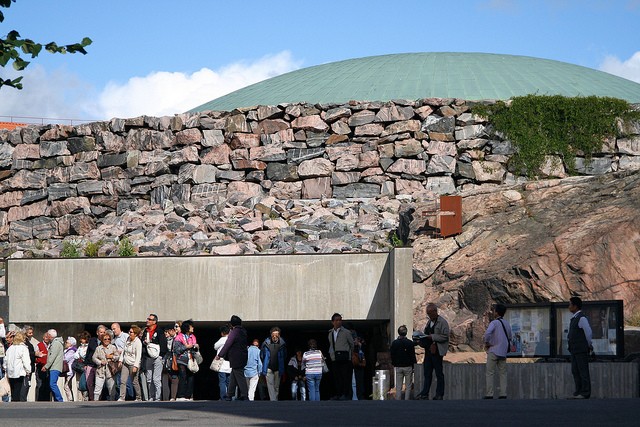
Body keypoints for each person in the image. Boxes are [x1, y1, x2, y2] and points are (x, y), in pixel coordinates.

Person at [416, 303, 450, 400]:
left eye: (430, 313)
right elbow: (426, 334)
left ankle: (439, 394)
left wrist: (433, 337)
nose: (429, 316)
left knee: (439, 373)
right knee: (427, 372)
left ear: (435, 311)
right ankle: (425, 393)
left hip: (437, 351)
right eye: (428, 314)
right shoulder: (429, 322)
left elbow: (445, 336)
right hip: (428, 350)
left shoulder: (442, 322)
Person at [483, 304, 512, 399]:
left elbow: (488, 333)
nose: (493, 312)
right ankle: (503, 393)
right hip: (503, 352)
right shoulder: (507, 323)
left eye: (494, 310)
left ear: (497, 312)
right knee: (503, 373)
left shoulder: (494, 323)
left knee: (490, 372)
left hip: (493, 350)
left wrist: (487, 342)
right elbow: (510, 337)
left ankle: (489, 393)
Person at [217, 315, 248, 401]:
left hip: (236, 357)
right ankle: (229, 394)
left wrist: (220, 354)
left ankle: (245, 395)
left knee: (240, 376)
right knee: (233, 376)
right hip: (243, 356)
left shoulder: (234, 332)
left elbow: (228, 344)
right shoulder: (243, 331)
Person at [568, 296, 593, 399]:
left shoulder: (581, 318)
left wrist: (589, 344)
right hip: (574, 350)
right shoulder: (574, 318)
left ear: (575, 306)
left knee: (583, 371)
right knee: (575, 370)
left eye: (570, 304)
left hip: (581, 349)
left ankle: (585, 392)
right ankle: (578, 391)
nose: (569, 307)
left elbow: (588, 332)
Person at [327, 313, 354, 400]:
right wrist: (331, 355)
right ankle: (339, 394)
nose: (339, 322)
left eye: (340, 320)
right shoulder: (330, 333)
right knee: (337, 377)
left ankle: (346, 394)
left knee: (346, 377)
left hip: (345, 358)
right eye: (337, 320)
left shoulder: (346, 332)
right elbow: (331, 345)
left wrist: (349, 355)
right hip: (335, 358)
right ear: (333, 322)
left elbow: (351, 344)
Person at [143, 313, 169, 401]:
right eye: (147, 319)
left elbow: (163, 344)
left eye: (150, 319)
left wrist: (161, 356)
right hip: (148, 357)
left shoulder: (159, 331)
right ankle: (151, 396)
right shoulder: (146, 331)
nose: (147, 321)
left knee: (156, 379)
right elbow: (143, 343)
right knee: (149, 379)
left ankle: (158, 397)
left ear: (154, 321)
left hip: (158, 357)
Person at [173, 319, 198, 401]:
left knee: (191, 377)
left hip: (190, 359)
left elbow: (194, 349)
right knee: (183, 376)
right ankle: (180, 395)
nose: (193, 328)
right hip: (181, 359)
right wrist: (186, 347)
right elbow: (176, 350)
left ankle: (188, 395)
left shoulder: (193, 337)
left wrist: (196, 347)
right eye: (191, 326)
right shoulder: (179, 337)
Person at [3, 331, 31, 402]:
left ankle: (13, 404)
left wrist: (5, 368)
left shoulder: (10, 348)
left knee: (13, 390)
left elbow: (5, 360)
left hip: (10, 373)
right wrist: (28, 370)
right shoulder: (23, 348)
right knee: (19, 391)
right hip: (19, 373)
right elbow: (26, 361)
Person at [390, 325, 416, 400]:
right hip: (408, 366)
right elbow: (412, 356)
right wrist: (413, 365)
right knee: (408, 386)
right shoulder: (410, 343)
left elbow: (392, 355)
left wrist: (394, 363)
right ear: (406, 333)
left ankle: (398, 399)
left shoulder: (395, 343)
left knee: (398, 385)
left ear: (399, 333)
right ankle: (406, 399)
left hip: (398, 366)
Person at [260, 326, 287, 401]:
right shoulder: (265, 343)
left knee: (276, 386)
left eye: (276, 335)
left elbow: (285, 355)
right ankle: (273, 400)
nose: (274, 336)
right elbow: (262, 355)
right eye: (273, 335)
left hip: (278, 368)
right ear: (271, 335)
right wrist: (265, 362)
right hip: (268, 367)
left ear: (279, 335)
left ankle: (275, 399)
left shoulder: (282, 344)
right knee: (270, 385)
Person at [92, 331, 119, 401]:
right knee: (97, 389)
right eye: (105, 339)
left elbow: (118, 357)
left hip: (110, 371)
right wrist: (100, 362)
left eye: (109, 339)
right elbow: (94, 358)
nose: (107, 341)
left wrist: (111, 356)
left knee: (111, 389)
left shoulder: (113, 347)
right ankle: (95, 402)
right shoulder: (98, 348)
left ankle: (112, 402)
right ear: (102, 340)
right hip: (100, 371)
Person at [119, 325, 142, 402]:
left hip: (133, 364)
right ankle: (122, 397)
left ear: (135, 334)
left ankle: (139, 397)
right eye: (129, 331)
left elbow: (138, 355)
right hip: (126, 363)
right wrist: (120, 360)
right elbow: (123, 351)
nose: (129, 333)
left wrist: (136, 366)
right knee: (123, 380)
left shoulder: (138, 342)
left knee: (134, 381)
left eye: (131, 332)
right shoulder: (127, 339)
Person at [84, 325, 107, 401]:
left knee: (99, 384)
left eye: (104, 332)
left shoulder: (106, 341)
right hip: (90, 364)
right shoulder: (92, 340)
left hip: (100, 366)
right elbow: (88, 353)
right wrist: (85, 364)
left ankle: (99, 399)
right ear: (97, 333)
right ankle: (91, 398)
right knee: (89, 383)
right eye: (101, 332)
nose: (102, 334)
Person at [43, 329, 64, 402]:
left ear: (50, 335)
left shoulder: (55, 344)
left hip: (55, 367)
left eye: (47, 335)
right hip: (54, 367)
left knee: (52, 384)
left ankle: (59, 399)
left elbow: (52, 356)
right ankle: (56, 399)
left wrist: (46, 366)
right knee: (52, 383)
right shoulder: (55, 343)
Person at [162, 323, 179, 401]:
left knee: (174, 378)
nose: (166, 333)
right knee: (167, 378)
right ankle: (167, 397)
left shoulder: (177, 338)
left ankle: (173, 397)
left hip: (176, 360)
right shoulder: (167, 340)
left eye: (167, 332)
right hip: (168, 361)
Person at [214, 324, 232, 400]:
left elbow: (215, 346)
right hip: (230, 365)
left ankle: (223, 397)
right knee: (229, 382)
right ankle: (230, 397)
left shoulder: (222, 339)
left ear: (222, 333)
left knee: (222, 382)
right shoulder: (231, 340)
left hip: (221, 365)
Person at [74, 331, 91, 401]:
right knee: (78, 382)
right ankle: (80, 398)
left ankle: (86, 397)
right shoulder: (80, 347)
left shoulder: (89, 346)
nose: (81, 340)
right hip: (79, 367)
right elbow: (76, 355)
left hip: (85, 366)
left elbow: (86, 356)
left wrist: (81, 357)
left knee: (84, 382)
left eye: (82, 338)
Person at [35, 330, 51, 401]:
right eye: (45, 337)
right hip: (40, 367)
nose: (47, 338)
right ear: (43, 337)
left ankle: (47, 400)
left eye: (48, 337)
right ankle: (39, 400)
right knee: (40, 384)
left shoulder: (51, 345)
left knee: (48, 385)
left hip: (49, 368)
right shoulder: (39, 345)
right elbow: (35, 355)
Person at [22, 325, 36, 402]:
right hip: (26, 367)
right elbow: (26, 354)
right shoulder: (25, 343)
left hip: (30, 366)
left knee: (27, 385)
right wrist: (34, 354)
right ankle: (23, 399)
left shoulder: (28, 342)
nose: (31, 334)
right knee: (25, 384)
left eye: (32, 333)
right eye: (29, 333)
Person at [62, 337, 77, 401]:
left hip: (70, 371)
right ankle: (71, 399)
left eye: (67, 342)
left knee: (66, 386)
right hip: (68, 371)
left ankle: (70, 399)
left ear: (71, 344)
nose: (65, 343)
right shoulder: (67, 350)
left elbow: (65, 359)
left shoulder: (71, 351)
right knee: (68, 386)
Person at [351, 336, 366, 400]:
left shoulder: (361, 348)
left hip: (359, 366)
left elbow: (362, 356)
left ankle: (359, 395)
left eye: (356, 340)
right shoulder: (353, 348)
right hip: (355, 366)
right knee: (354, 382)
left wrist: (361, 347)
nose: (355, 342)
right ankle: (355, 396)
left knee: (359, 382)